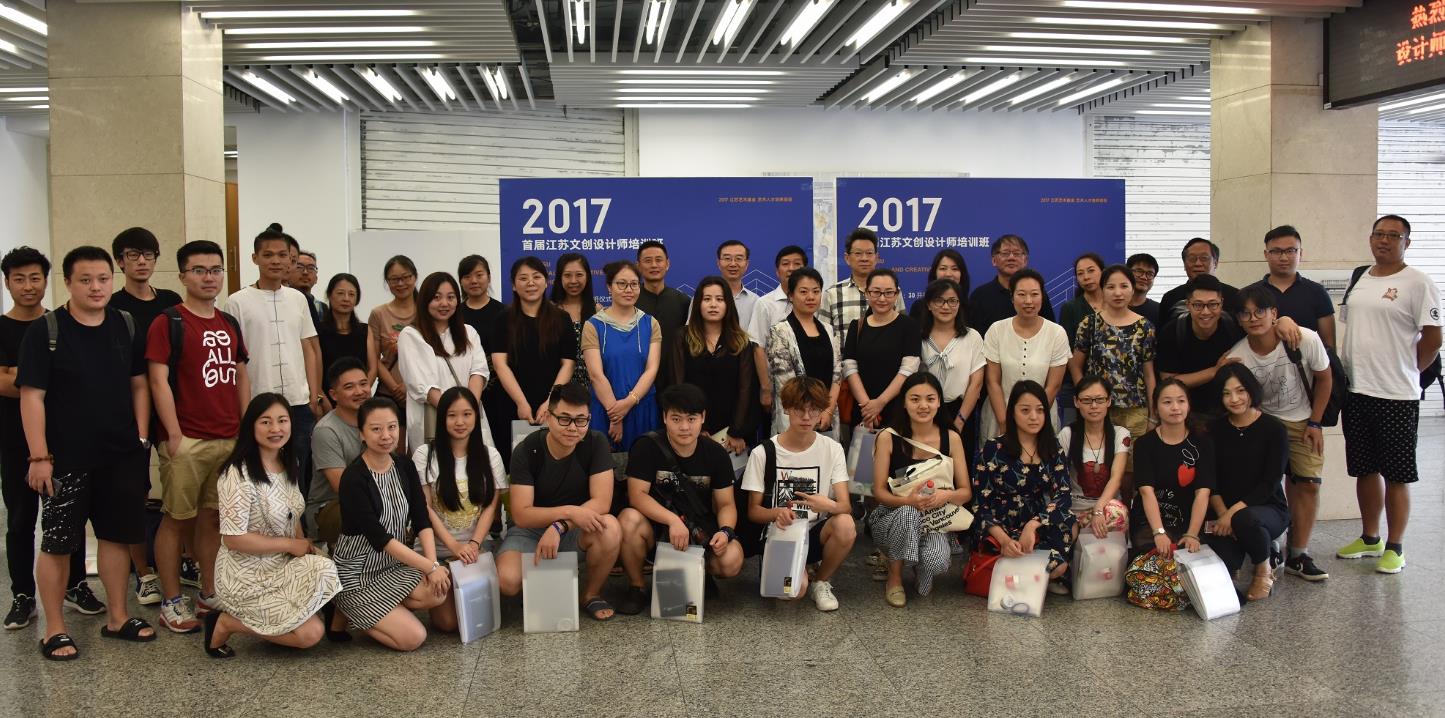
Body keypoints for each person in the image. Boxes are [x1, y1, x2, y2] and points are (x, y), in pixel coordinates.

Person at [19, 246, 156, 660]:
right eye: (85, 280)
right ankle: (54, 628)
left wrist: (141, 438)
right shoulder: (46, 331)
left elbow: (138, 383)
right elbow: (32, 396)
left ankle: (117, 617)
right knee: (58, 543)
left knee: (116, 537)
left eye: (102, 279)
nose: (96, 287)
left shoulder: (124, 324)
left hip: (120, 455)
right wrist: (39, 457)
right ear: (68, 283)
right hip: (66, 459)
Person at [146, 240, 250, 633]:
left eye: (215, 269)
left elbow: (240, 375)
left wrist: (245, 429)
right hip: (187, 439)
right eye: (199, 270)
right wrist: (173, 433)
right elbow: (158, 380)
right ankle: (172, 600)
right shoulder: (169, 321)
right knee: (176, 520)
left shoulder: (229, 323)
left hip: (228, 437)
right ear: (183, 276)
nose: (209, 277)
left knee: (212, 519)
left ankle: (209, 591)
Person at [1336, 214, 1442, 574]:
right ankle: (1370, 538)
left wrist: (1410, 370)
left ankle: (1395, 546)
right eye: (1378, 234)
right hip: (1356, 390)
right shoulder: (1360, 277)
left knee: (1397, 473)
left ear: (1406, 243)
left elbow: (1433, 338)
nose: (1384, 240)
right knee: (1364, 469)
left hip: (1396, 395)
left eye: (1393, 236)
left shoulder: (1418, 282)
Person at [204, 393, 340, 658]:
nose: (275, 429)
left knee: (327, 566)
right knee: (310, 634)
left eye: (282, 420)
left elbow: (293, 512)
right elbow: (233, 539)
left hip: (281, 563)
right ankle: (225, 622)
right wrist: (290, 545)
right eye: (265, 422)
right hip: (246, 576)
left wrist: (303, 548)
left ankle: (285, 617)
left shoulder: (289, 461)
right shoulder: (237, 473)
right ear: (251, 427)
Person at [0, 247, 91, 631]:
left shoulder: (58, 325)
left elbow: (71, 378)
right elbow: (4, 384)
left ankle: (76, 585)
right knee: (21, 519)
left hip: (64, 438)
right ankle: (23, 594)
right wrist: (39, 380)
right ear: (7, 283)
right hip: (15, 441)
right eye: (19, 279)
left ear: (47, 280)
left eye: (35, 278)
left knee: (71, 516)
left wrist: (19, 374)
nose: (28, 286)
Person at [1228, 285, 1333, 582]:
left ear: (1274, 313)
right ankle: (1270, 543)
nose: (1253, 318)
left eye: (1260, 311)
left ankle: (1298, 553)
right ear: (1238, 319)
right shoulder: (1239, 356)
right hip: (1262, 423)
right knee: (1265, 485)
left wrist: (1315, 423)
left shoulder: (1304, 338)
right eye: (1245, 313)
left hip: (1302, 420)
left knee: (1308, 484)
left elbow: (1325, 379)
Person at [615, 384, 744, 615]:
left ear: (703, 418)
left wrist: (725, 532)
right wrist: (672, 520)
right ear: (665, 417)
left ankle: (700, 573)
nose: (684, 427)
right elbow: (637, 496)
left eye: (691, 419)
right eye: (676, 419)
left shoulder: (715, 453)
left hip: (698, 527)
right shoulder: (647, 446)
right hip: (655, 526)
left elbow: (726, 504)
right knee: (627, 519)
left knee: (732, 558)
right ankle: (636, 586)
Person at [498, 382, 623, 621]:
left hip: (574, 528)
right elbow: (522, 513)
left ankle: (591, 594)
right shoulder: (527, 450)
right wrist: (569, 512)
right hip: (530, 531)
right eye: (564, 419)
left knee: (610, 528)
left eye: (581, 420)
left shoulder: (596, 443)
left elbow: (601, 502)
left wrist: (560, 526)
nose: (573, 428)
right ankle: (542, 585)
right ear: (548, 417)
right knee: (506, 581)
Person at [332, 397, 449, 651]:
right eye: (376, 429)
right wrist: (429, 567)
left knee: (436, 592)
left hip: (391, 565)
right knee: (413, 638)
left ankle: (378, 610)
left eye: (392, 427)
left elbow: (421, 517)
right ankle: (347, 605)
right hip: (357, 573)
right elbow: (380, 539)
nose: (386, 436)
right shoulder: (354, 478)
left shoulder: (404, 465)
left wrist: (433, 564)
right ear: (361, 433)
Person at [108, 227, 183, 593]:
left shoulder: (170, 302)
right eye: (132, 255)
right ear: (119, 261)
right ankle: (144, 572)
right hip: (128, 408)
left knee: (181, 488)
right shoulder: (111, 306)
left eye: (148, 254)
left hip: (173, 406)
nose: (141, 261)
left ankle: (184, 559)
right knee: (134, 490)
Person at [740, 377, 856, 611]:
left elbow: (845, 506)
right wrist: (776, 513)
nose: (806, 417)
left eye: (813, 410)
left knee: (845, 524)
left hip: (815, 531)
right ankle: (797, 570)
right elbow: (753, 511)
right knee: (791, 592)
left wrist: (827, 505)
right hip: (780, 534)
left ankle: (821, 581)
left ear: (821, 411)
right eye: (799, 409)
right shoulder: (763, 452)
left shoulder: (832, 449)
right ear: (786, 408)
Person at [224, 227, 323, 496]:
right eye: (268, 255)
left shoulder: (298, 299)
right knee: (258, 474)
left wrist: (314, 396)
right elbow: (233, 360)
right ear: (255, 258)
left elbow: (308, 348)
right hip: (257, 402)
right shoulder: (236, 302)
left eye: (282, 255)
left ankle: (298, 522)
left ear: (290, 259)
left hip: (298, 402)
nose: (276, 261)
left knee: (297, 473)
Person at [869, 373, 972, 606]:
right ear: (904, 403)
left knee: (935, 562)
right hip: (891, 517)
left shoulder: (952, 438)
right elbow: (879, 492)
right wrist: (909, 502)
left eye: (930, 399)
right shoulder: (888, 437)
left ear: (939, 402)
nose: (923, 405)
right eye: (915, 399)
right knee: (908, 514)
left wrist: (947, 495)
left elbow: (966, 492)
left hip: (933, 520)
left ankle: (919, 566)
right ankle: (895, 577)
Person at [972, 380, 1074, 593]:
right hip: (1000, 524)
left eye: (1040, 410)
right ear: (1012, 412)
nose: (1034, 417)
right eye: (1025, 410)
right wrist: (1003, 540)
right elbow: (980, 504)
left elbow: (1063, 494)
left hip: (1036, 522)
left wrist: (1032, 525)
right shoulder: (993, 449)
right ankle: (1028, 576)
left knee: (1066, 533)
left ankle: (1025, 575)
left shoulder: (1053, 448)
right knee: (1007, 552)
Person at [1206, 365, 1289, 602]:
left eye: (1240, 391)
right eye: (1226, 393)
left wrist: (1231, 514)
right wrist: (1223, 514)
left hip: (1266, 508)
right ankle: (1248, 556)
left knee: (1245, 520)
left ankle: (1263, 569)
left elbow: (1270, 482)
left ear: (1251, 390)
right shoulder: (1213, 430)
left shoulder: (1274, 429)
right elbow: (1210, 479)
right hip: (1223, 509)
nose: (1234, 399)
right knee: (1218, 550)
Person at [1067, 264, 1156, 469]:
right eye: (1110, 287)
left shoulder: (1145, 327)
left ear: (1132, 289)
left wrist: (1153, 416)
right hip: (1098, 409)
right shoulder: (1089, 324)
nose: (1117, 293)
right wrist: (1086, 396)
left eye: (1124, 286)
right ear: (1102, 290)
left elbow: (1149, 374)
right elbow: (1075, 365)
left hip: (1136, 411)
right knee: (1100, 466)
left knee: (1133, 468)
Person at [492, 257, 577, 461]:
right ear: (514, 285)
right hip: (511, 403)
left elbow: (568, 364)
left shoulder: (561, 318)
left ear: (546, 282)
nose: (530, 283)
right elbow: (500, 364)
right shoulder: (503, 319)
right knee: (515, 463)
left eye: (536, 277)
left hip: (553, 404)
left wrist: (550, 402)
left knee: (552, 462)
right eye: (523, 278)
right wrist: (521, 402)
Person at [412, 387, 506, 570]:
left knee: (483, 587)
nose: (460, 422)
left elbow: (490, 507)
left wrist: (473, 544)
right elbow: (425, 508)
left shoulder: (491, 456)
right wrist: (454, 546)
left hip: (476, 549)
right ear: (442, 418)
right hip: (432, 551)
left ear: (476, 416)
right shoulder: (424, 455)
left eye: (467, 414)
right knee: (440, 587)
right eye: (452, 415)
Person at [397, 272, 490, 454]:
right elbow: (421, 385)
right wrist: (455, 415)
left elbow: (479, 371)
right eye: (437, 298)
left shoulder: (469, 332)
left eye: (451, 297)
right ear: (425, 301)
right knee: (435, 466)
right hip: (432, 420)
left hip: (470, 421)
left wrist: (467, 412)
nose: (444, 303)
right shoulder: (411, 335)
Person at [666, 276, 757, 456]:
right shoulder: (682, 337)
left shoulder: (741, 341)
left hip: (732, 434)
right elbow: (677, 385)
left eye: (719, 299)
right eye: (707, 299)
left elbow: (746, 389)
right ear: (698, 304)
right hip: (691, 429)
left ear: (728, 304)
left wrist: (737, 431)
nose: (713, 304)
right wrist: (695, 426)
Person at [981, 269, 1070, 442]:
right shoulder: (996, 330)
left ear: (1042, 297)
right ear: (1012, 297)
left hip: (1041, 419)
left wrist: (1036, 418)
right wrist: (1004, 423)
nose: (1028, 301)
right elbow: (992, 381)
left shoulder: (1057, 333)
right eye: (1021, 294)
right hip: (1000, 415)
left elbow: (1053, 385)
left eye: (1034, 294)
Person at [582, 260, 662, 453]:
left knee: (644, 464)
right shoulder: (593, 325)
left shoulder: (651, 323)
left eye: (634, 284)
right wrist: (615, 415)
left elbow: (651, 370)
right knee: (605, 465)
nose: (629, 290)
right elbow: (595, 375)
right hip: (605, 409)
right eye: (621, 284)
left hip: (642, 407)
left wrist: (628, 403)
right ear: (609, 287)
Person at [1129, 379, 1213, 561]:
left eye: (1181, 401)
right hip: (1151, 521)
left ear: (1189, 405)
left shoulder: (1202, 441)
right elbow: (1146, 491)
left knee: (1194, 565)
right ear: (1156, 408)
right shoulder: (1144, 444)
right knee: (1153, 563)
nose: (1175, 407)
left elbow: (1203, 492)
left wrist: (1192, 534)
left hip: (1190, 519)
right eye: (1167, 402)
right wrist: (1159, 532)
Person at [764, 268, 841, 437]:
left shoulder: (829, 330)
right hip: (796, 416)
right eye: (803, 292)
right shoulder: (779, 331)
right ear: (791, 296)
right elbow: (786, 383)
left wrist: (827, 411)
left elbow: (837, 375)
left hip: (827, 418)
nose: (811, 297)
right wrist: (811, 414)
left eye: (816, 291)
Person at [842, 268, 921, 433]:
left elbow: (908, 369)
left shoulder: (909, 326)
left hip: (897, 409)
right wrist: (867, 406)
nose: (882, 298)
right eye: (876, 292)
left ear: (897, 294)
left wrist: (880, 403)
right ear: (867, 293)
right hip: (863, 411)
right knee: (862, 450)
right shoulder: (857, 326)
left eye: (889, 292)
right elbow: (850, 368)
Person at [1155, 273, 1244, 416]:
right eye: (1198, 305)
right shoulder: (1173, 331)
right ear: (1188, 305)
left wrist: (1280, 322)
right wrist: (1215, 371)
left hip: (1228, 407)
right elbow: (1168, 381)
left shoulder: (1233, 326)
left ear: (1221, 303)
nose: (1206, 312)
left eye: (1213, 304)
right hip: (1185, 410)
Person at [307, 357, 369, 548]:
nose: (359, 391)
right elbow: (343, 487)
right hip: (329, 507)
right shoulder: (326, 430)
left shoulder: (375, 419)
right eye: (349, 387)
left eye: (363, 384)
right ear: (333, 395)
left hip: (368, 498)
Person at [1057, 376, 1130, 538]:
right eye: (1087, 400)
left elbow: (1116, 478)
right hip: (1075, 507)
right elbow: (1058, 479)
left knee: (1116, 513)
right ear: (1076, 402)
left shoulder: (1120, 434)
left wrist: (1098, 509)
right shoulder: (1067, 434)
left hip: (1106, 507)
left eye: (1100, 399)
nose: (1094, 406)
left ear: (1109, 401)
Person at [819, 228, 904, 361]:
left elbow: (902, 331)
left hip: (887, 366)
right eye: (858, 253)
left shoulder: (893, 292)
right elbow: (823, 337)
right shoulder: (832, 294)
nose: (864, 258)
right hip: (843, 370)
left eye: (869, 253)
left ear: (876, 258)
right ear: (847, 258)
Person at [918, 279, 984, 450]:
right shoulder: (918, 337)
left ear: (959, 304)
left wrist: (960, 421)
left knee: (959, 463)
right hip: (923, 411)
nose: (946, 306)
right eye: (939, 300)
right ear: (929, 304)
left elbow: (976, 383)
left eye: (952, 301)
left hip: (961, 411)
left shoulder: (972, 337)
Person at [1246, 225, 1336, 347]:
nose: (1283, 258)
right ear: (1266, 254)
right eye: (1276, 251)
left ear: (1300, 253)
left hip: (1307, 358)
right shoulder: (1251, 293)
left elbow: (1328, 345)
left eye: (1290, 251)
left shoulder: (1317, 292)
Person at [747, 245, 809, 418]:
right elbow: (758, 347)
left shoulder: (814, 301)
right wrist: (766, 388)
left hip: (811, 386)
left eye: (797, 264)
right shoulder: (765, 304)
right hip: (777, 387)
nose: (791, 268)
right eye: (785, 264)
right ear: (777, 271)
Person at [458, 255, 508, 456]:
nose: (474, 281)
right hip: (464, 388)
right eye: (467, 276)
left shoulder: (504, 312)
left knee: (501, 443)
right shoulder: (454, 314)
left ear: (489, 277)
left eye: (479, 275)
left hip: (500, 391)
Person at [969, 234, 1056, 333]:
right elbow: (973, 336)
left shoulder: (1036, 294)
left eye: (1017, 253)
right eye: (1005, 253)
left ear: (1025, 260)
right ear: (994, 260)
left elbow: (1049, 330)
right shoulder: (980, 295)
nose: (1011, 257)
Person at [368, 255, 418, 412]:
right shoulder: (378, 314)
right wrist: (395, 388)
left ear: (415, 277)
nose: (401, 283)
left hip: (421, 392)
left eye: (406, 277)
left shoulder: (427, 312)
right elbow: (374, 358)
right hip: (388, 394)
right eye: (395, 279)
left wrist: (410, 385)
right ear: (387, 282)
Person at [1158, 238, 1242, 323]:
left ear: (1215, 263)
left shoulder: (1235, 296)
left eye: (1204, 258)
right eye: (1192, 259)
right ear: (1184, 264)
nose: (1198, 263)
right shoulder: (1170, 298)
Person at [551, 253, 597, 389]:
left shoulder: (598, 311)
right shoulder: (550, 311)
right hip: (557, 385)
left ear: (587, 276)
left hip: (592, 386)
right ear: (559, 278)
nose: (573, 281)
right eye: (567, 275)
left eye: (579, 275)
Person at [316, 273, 371, 386]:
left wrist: (360, 390)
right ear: (329, 295)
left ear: (357, 299)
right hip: (327, 394)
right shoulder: (317, 330)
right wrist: (321, 396)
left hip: (360, 394)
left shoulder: (365, 330)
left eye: (351, 294)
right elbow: (313, 371)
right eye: (340, 293)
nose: (346, 299)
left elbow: (372, 368)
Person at [634, 241, 691, 349]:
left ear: (667, 264)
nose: (654, 265)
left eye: (659, 260)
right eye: (648, 261)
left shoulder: (683, 301)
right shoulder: (631, 300)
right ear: (638, 266)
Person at [1057, 253, 1106, 350]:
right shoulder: (1069, 308)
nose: (1086, 277)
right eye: (1080, 273)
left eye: (1091, 271)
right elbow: (1067, 349)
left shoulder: (1116, 304)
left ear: (1103, 272)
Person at [908, 248, 971, 322]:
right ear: (935, 273)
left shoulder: (971, 307)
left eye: (954, 269)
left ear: (962, 274)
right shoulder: (919, 307)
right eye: (943, 268)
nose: (948, 274)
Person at [714, 240, 759, 330]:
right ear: (718, 263)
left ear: (747, 264)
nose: (733, 264)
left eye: (738, 259)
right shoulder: (703, 297)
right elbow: (692, 330)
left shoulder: (756, 301)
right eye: (727, 258)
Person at [291, 249, 326, 331]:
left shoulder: (323, 308)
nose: (305, 272)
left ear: (316, 278)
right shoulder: (280, 301)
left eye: (311, 268)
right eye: (299, 267)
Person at [1126, 253, 1162, 328]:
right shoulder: (1113, 306)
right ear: (1127, 273)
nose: (1144, 277)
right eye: (1139, 271)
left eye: (1150, 274)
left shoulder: (1159, 310)